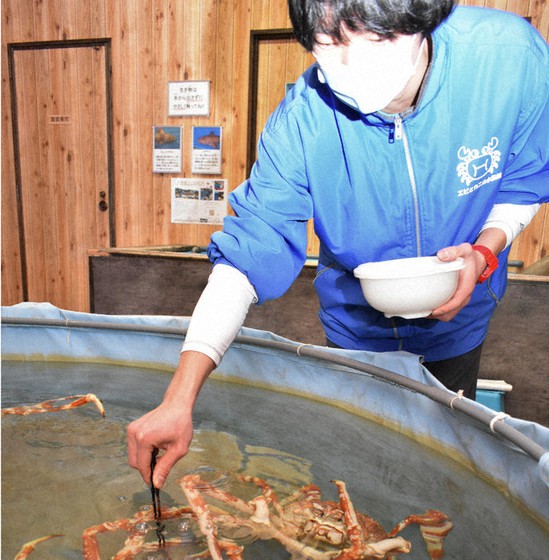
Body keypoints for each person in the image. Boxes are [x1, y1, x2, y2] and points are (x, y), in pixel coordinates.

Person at [128, 0, 548, 489]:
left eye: (376, 41)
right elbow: (248, 252)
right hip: (353, 331)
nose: (351, 71)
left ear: (422, 19)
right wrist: (179, 398)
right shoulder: (303, 118)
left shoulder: (507, 58)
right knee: (360, 476)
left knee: (442, 474)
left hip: (459, 323)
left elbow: (522, 182)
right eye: (329, 46)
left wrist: (485, 251)